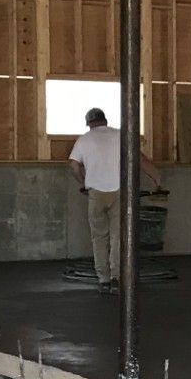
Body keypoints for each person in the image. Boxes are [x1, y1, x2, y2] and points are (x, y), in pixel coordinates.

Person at [67, 107, 161, 294]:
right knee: (118, 237)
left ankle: (103, 279)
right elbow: (141, 160)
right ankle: (116, 278)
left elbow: (73, 165)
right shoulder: (121, 136)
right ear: (105, 120)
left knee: (99, 237)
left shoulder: (84, 139)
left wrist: (84, 183)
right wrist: (157, 181)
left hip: (96, 193)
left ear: (89, 123)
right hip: (120, 192)